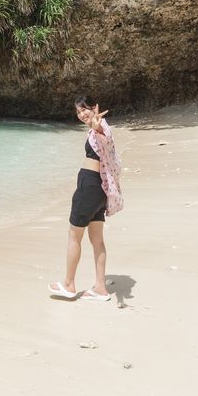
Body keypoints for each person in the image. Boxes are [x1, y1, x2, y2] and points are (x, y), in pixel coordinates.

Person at [49, 97, 124, 302]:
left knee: (74, 235)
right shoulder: (100, 129)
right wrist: (95, 127)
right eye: (78, 112)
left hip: (90, 187)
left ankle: (69, 284)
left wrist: (96, 126)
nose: (82, 114)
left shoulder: (101, 128)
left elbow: (103, 136)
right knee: (97, 240)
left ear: (94, 108)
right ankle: (100, 288)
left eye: (85, 109)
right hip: (100, 190)